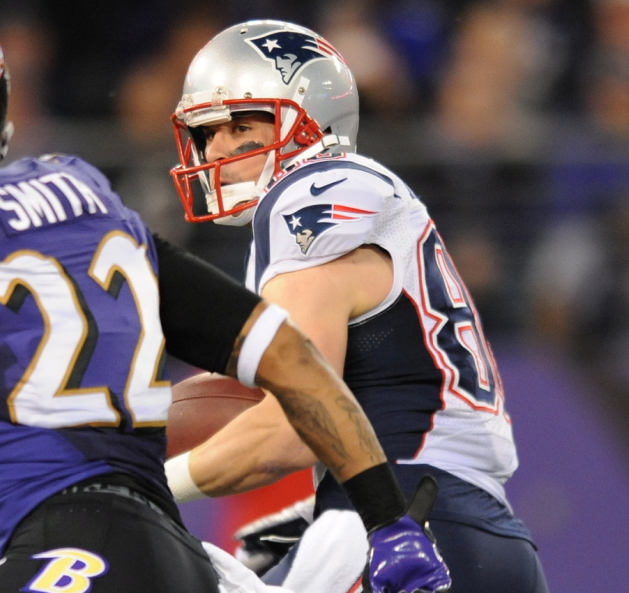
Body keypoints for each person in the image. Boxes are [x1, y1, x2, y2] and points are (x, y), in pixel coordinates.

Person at [0, 3, 451, 593]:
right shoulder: (78, 192)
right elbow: (289, 356)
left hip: (74, 550)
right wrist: (387, 520)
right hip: (178, 561)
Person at [165, 19, 548, 593]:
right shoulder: (362, 201)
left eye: (240, 126)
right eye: (207, 131)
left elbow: (293, 426)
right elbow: (300, 389)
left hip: (406, 526)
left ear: (308, 123)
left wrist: (150, 480)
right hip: (472, 532)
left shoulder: (312, 193)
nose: (216, 148)